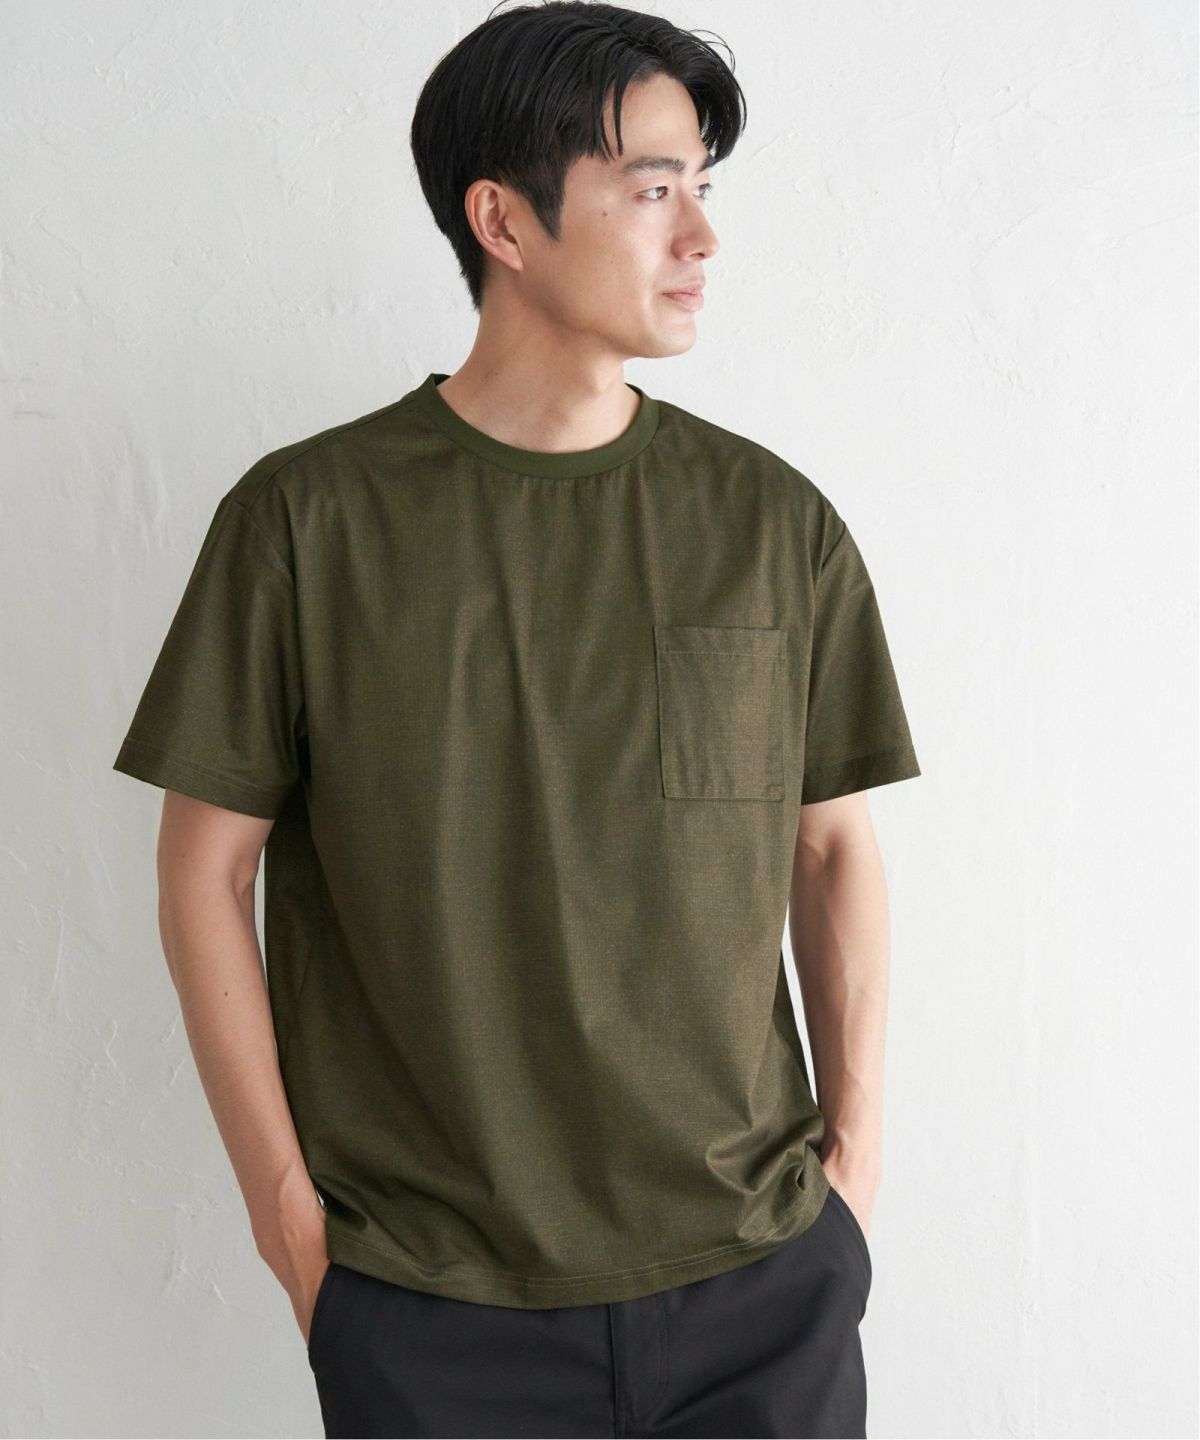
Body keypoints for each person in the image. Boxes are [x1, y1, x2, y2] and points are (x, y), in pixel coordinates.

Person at [112, 4, 921, 1436]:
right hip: (432, 1308)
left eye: (703, 188)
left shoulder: (771, 524)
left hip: (761, 1288)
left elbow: (832, 848)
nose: (702, 237)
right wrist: (291, 1227)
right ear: (503, 220)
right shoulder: (306, 524)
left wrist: (849, 1186)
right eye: (653, 189)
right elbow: (203, 875)